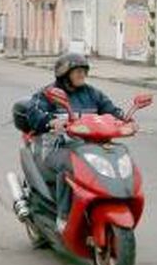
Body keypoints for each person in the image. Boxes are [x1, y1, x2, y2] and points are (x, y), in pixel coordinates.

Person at [26, 53, 135, 230]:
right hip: (56, 148)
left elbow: (111, 110)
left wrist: (126, 120)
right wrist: (51, 121)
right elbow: (34, 113)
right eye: (77, 71)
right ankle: (63, 216)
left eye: (84, 71)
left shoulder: (92, 93)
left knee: (116, 156)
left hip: (89, 147)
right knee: (71, 166)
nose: (82, 75)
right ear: (64, 74)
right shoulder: (49, 94)